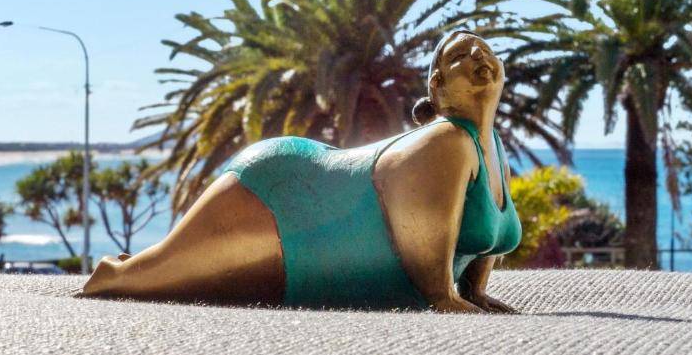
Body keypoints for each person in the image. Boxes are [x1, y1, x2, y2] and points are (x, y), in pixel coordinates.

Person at [82, 30, 521, 312]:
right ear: (437, 86)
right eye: (463, 54)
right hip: (287, 197)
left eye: (486, 49)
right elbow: (423, 236)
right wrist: (441, 297)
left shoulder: (491, 148)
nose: (480, 54)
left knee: (164, 271)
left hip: (308, 200)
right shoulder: (446, 141)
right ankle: (114, 272)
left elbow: (486, 235)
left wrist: (474, 293)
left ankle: (132, 266)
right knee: (139, 281)